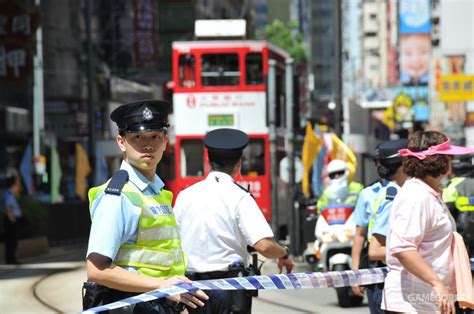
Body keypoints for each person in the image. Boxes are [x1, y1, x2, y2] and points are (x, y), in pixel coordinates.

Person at [84, 100, 208, 313]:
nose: (147, 145)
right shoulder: (118, 196)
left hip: (156, 305)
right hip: (133, 305)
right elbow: (96, 270)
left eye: (155, 137)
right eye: (137, 137)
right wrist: (161, 285)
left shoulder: (157, 192)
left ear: (165, 142)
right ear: (122, 142)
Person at [173, 128, 295, 314]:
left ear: (208, 160)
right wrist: (284, 254)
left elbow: (172, 242)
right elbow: (263, 245)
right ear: (239, 163)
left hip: (192, 291)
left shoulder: (184, 196)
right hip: (230, 290)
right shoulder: (240, 197)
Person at [382, 131, 474, 313]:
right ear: (441, 161)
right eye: (448, 156)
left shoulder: (428, 193)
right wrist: (437, 283)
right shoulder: (416, 197)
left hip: (427, 301)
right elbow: (403, 248)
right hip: (413, 302)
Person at [366, 139, 408, 314]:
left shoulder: (399, 192)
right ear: (404, 165)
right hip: (387, 280)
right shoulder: (393, 197)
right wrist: (413, 251)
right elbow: (374, 250)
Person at [351, 145, 384, 299]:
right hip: (376, 267)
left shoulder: (410, 190)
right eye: (378, 161)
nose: (381, 165)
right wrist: (355, 273)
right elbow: (359, 234)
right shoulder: (368, 193)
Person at [3, 168, 23, 265]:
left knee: (13, 241)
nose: (18, 188)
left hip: (12, 220)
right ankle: (11, 259)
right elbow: (8, 208)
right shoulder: (9, 195)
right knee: (11, 241)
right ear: (13, 186)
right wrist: (12, 220)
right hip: (11, 221)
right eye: (16, 186)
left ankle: (11, 258)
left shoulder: (11, 194)